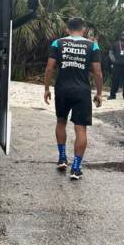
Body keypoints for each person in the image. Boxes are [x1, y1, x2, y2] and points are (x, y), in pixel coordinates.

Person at [44, 17, 103, 180]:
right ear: (83, 29)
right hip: (82, 91)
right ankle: (76, 168)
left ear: (67, 29)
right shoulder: (92, 45)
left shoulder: (58, 43)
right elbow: (97, 72)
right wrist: (99, 93)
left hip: (62, 89)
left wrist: (47, 89)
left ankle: (62, 158)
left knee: (61, 122)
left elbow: (49, 68)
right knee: (81, 129)